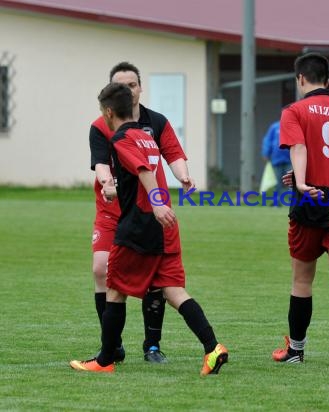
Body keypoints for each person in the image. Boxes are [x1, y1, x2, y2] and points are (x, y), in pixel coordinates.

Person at [70, 83, 228, 374]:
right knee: (174, 291)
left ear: (107, 111)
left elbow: (143, 171)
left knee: (114, 290)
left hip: (140, 225)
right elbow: (141, 176)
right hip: (164, 225)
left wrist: (156, 203)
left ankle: (105, 361)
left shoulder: (122, 138)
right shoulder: (146, 137)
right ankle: (212, 347)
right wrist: (123, 192)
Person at [89, 62, 193, 363]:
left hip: (147, 210)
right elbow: (100, 163)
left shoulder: (155, 121)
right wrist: (107, 181)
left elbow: (174, 154)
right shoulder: (101, 126)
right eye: (121, 86)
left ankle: (152, 345)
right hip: (112, 210)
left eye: (132, 85)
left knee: (155, 279)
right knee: (101, 268)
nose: (128, 90)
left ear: (140, 87)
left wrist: (183, 176)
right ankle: (111, 345)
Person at [271, 52, 329, 369]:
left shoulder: (294, 111)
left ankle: (296, 351)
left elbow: (299, 147)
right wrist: (300, 176)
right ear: (328, 79)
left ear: (300, 79)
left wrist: (299, 182)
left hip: (312, 199)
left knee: (302, 280)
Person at [261, 120, 292, 198]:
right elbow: (268, 141)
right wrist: (266, 153)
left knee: (291, 182)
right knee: (276, 182)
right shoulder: (274, 127)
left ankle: (292, 202)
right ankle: (276, 202)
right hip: (276, 160)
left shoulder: (293, 126)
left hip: (290, 160)